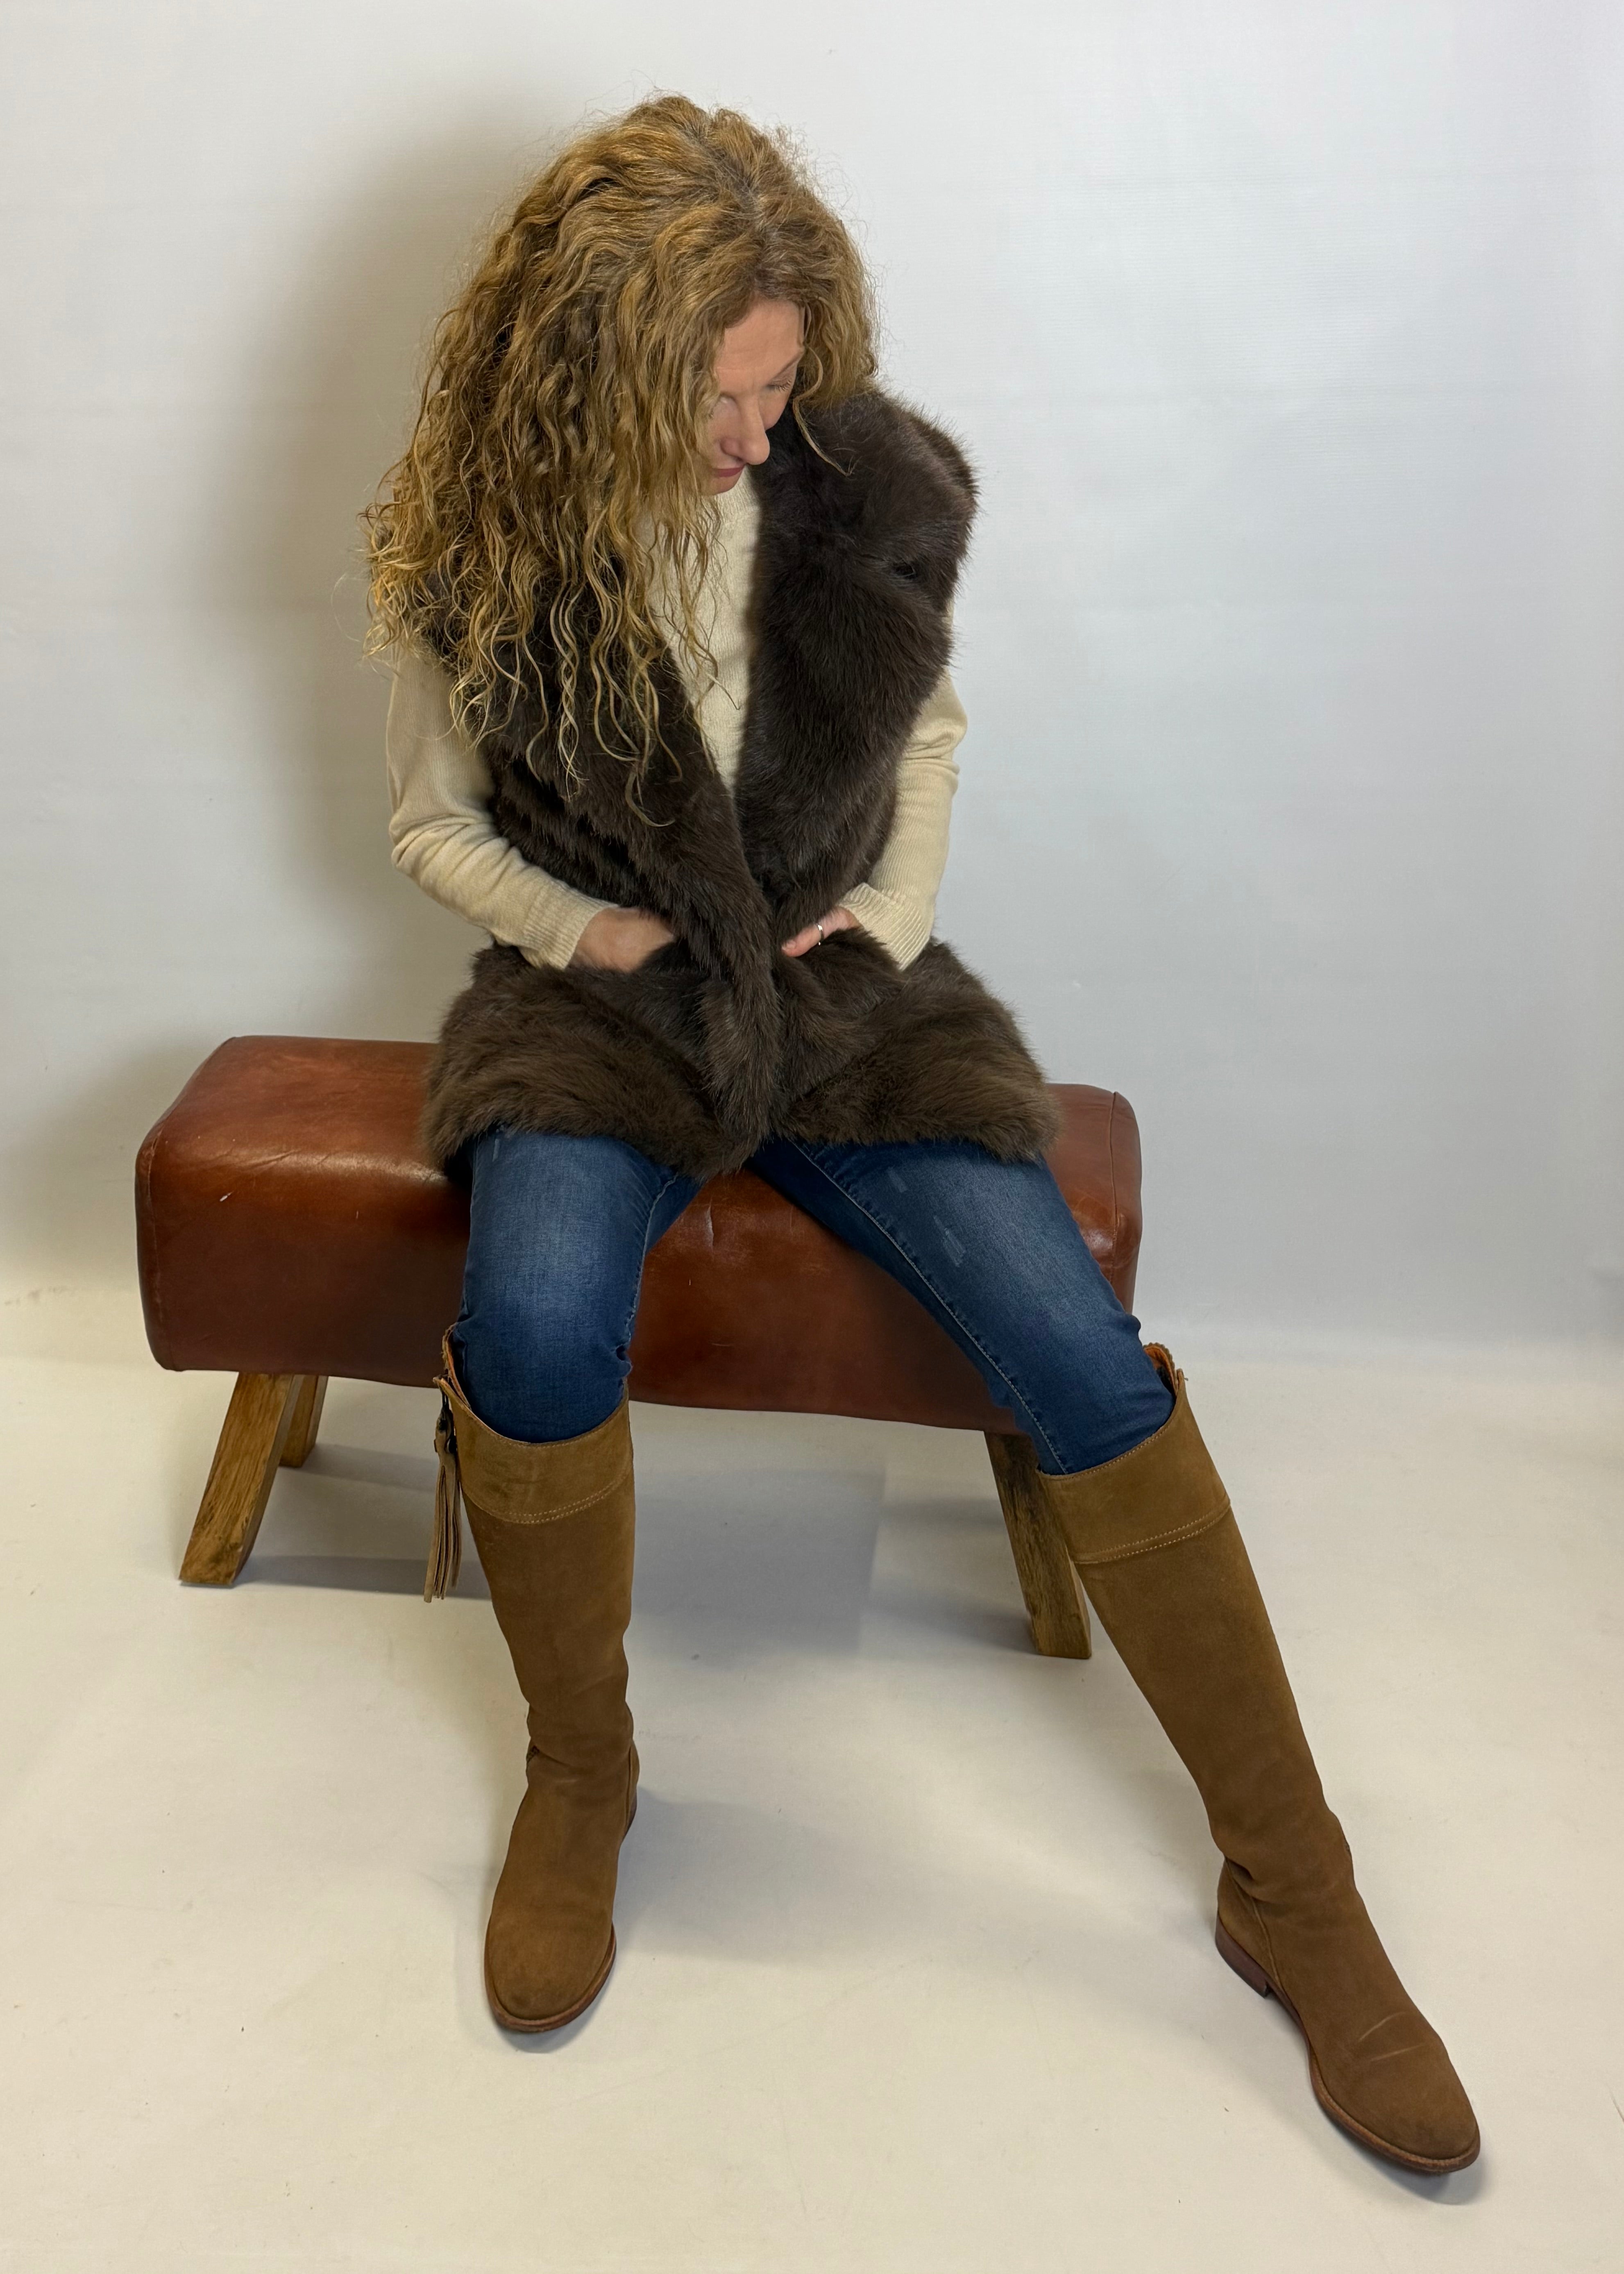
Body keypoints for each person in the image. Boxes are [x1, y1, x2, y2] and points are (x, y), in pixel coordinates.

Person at [365, 94, 1477, 2173]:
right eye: (713, 393)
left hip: (841, 993)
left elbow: (929, 732)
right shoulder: (487, 551)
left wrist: (874, 921)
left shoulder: (855, 485)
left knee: (1070, 1349)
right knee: (526, 1318)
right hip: (600, 1007)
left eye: (780, 381)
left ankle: (1296, 1890)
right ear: (598, 364)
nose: (754, 431)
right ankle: (583, 1777)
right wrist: (585, 926)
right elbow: (428, 822)